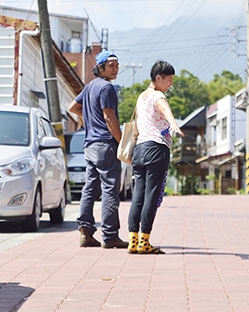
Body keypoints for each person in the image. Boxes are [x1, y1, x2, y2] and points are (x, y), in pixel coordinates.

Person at [68, 51, 128, 249]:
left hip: (90, 145)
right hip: (105, 144)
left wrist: (89, 122)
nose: (115, 68)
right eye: (111, 65)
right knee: (110, 190)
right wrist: (122, 143)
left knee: (90, 188)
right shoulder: (107, 88)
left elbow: (73, 108)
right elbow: (110, 119)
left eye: (117, 65)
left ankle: (85, 233)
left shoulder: (89, 88)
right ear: (100, 67)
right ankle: (110, 236)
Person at [127, 60, 184, 254]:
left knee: (138, 195)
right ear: (158, 78)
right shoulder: (157, 95)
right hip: (156, 149)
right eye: (169, 80)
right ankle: (145, 241)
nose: (171, 85)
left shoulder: (141, 97)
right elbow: (164, 108)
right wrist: (173, 123)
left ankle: (133, 240)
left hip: (140, 149)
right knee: (151, 195)